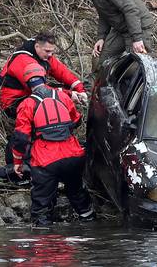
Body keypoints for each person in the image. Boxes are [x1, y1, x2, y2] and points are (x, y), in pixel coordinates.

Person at [10, 66, 94, 226]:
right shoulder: (62, 96)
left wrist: (17, 163)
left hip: (45, 161)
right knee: (77, 192)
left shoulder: (27, 104)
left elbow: (21, 139)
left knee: (41, 204)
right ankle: (89, 225)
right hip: (73, 156)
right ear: (44, 78)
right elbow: (76, 121)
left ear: (27, 83)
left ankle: (45, 240)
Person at [68, 0, 154, 67]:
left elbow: (130, 9)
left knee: (137, 66)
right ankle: (95, 83)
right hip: (121, 28)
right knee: (103, 60)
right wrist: (101, 37)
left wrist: (137, 39)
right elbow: (104, 14)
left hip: (139, 26)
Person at [0, 31, 87, 119]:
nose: (50, 55)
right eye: (47, 51)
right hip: (13, 103)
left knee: (61, 92)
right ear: (37, 46)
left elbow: (62, 72)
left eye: (52, 51)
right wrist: (69, 94)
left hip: (29, 95)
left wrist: (79, 89)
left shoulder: (44, 55)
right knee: (51, 107)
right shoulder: (24, 61)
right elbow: (41, 91)